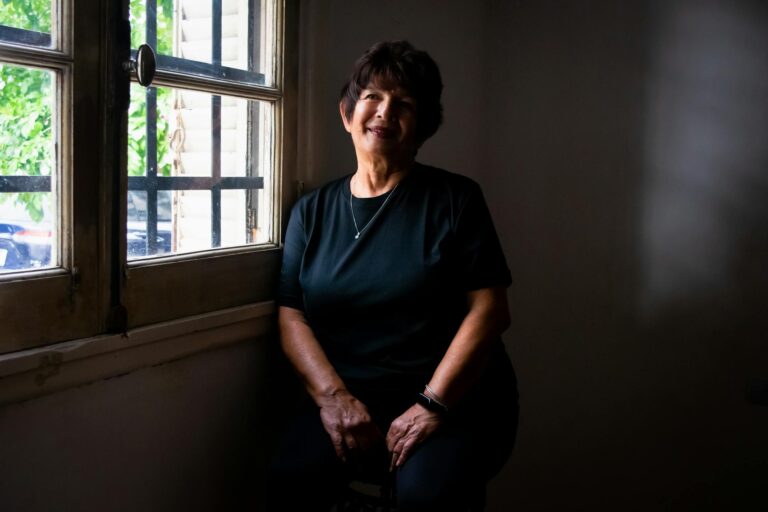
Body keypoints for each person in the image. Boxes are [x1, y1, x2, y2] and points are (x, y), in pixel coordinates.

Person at [268, 40, 518, 511]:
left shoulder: (456, 200)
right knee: (291, 476)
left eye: (403, 104)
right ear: (348, 114)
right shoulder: (311, 213)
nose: (385, 112)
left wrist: (432, 406)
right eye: (372, 98)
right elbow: (291, 314)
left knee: (427, 494)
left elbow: (490, 311)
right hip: (351, 398)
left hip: (452, 400)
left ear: (421, 127)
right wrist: (334, 398)